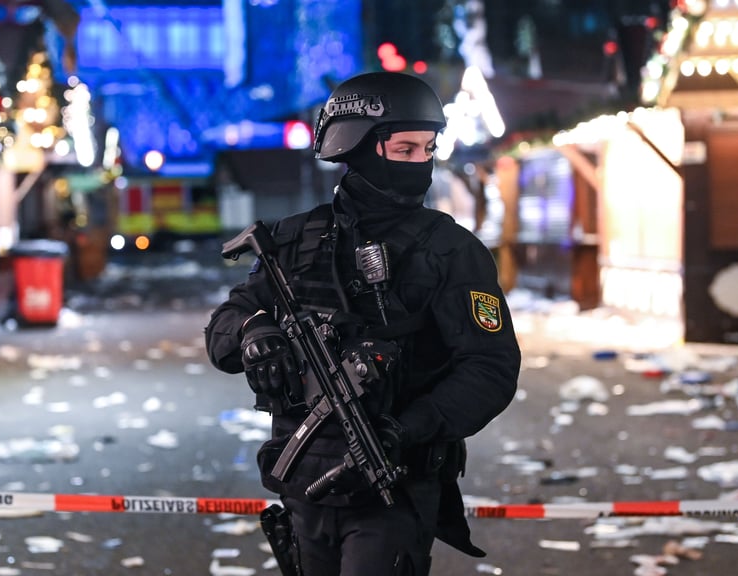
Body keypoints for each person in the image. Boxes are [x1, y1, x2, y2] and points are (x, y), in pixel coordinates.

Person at [204, 71, 521, 575]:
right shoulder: (292, 241)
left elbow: (490, 368)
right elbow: (224, 325)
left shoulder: (451, 252)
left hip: (392, 486)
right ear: (358, 147)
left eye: (428, 149)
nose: (421, 163)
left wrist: (406, 429)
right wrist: (253, 334)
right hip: (304, 484)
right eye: (405, 150)